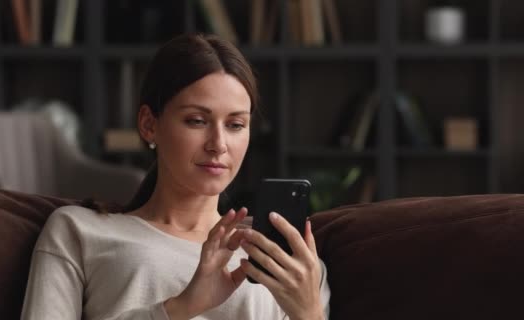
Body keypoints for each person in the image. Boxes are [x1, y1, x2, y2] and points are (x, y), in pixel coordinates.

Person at [20, 33, 330, 320]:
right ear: (148, 124)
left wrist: (310, 314)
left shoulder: (290, 263)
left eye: (235, 125)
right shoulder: (79, 231)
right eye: (197, 120)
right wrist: (181, 307)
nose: (218, 144)